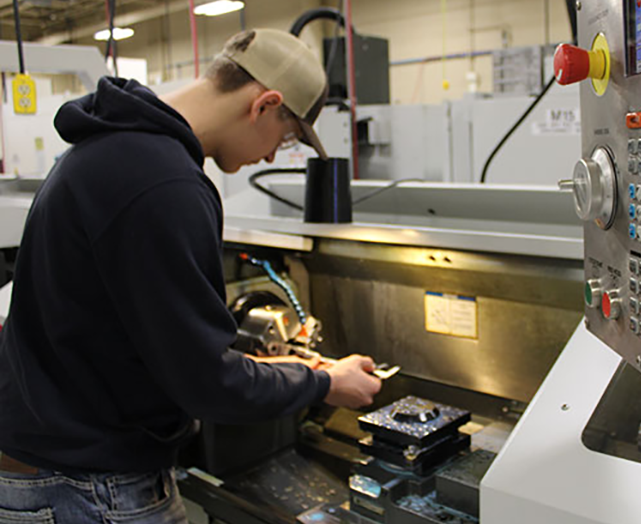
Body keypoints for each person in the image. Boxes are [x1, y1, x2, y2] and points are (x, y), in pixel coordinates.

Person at [0, 28, 381, 523]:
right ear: (264, 103)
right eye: (284, 138)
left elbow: (139, 336)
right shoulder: (165, 183)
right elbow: (208, 384)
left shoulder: (110, 147)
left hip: (52, 462)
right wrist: (324, 384)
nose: (269, 157)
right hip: (92, 487)